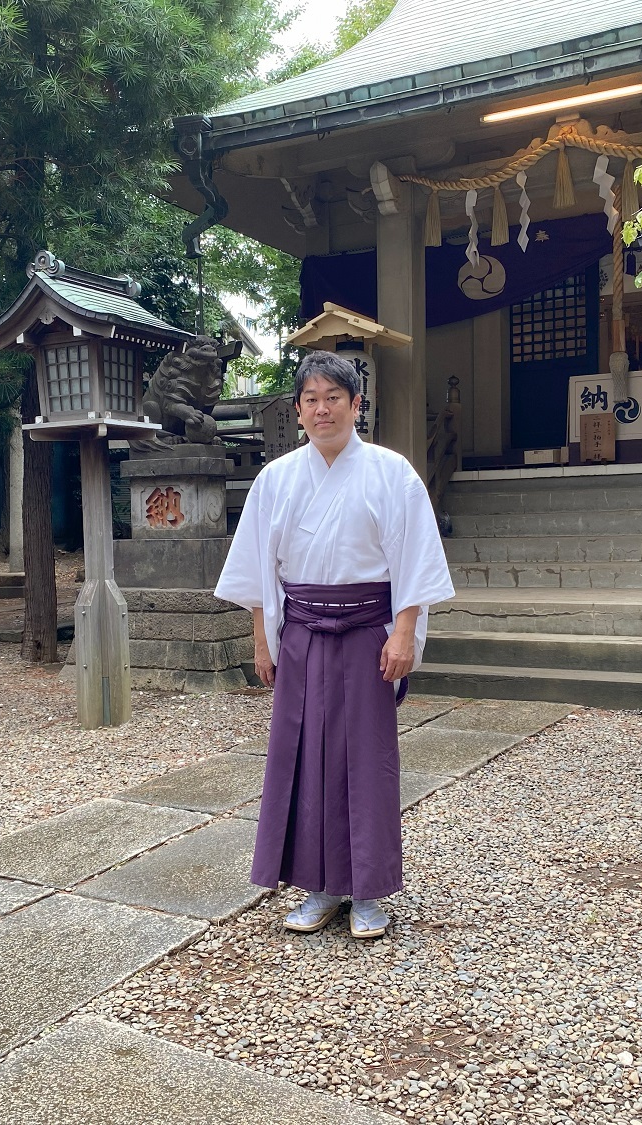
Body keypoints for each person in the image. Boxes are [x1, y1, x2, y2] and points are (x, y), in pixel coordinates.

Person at [215, 351, 454, 939]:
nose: (322, 410)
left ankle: (369, 890)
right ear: (298, 410)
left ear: (356, 405)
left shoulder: (391, 471)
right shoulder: (277, 478)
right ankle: (318, 887)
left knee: (367, 759)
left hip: (370, 632)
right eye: (311, 400)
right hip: (300, 633)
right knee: (304, 756)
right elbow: (258, 571)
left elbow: (415, 558)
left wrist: (404, 630)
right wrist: (262, 641)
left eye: (334, 398)